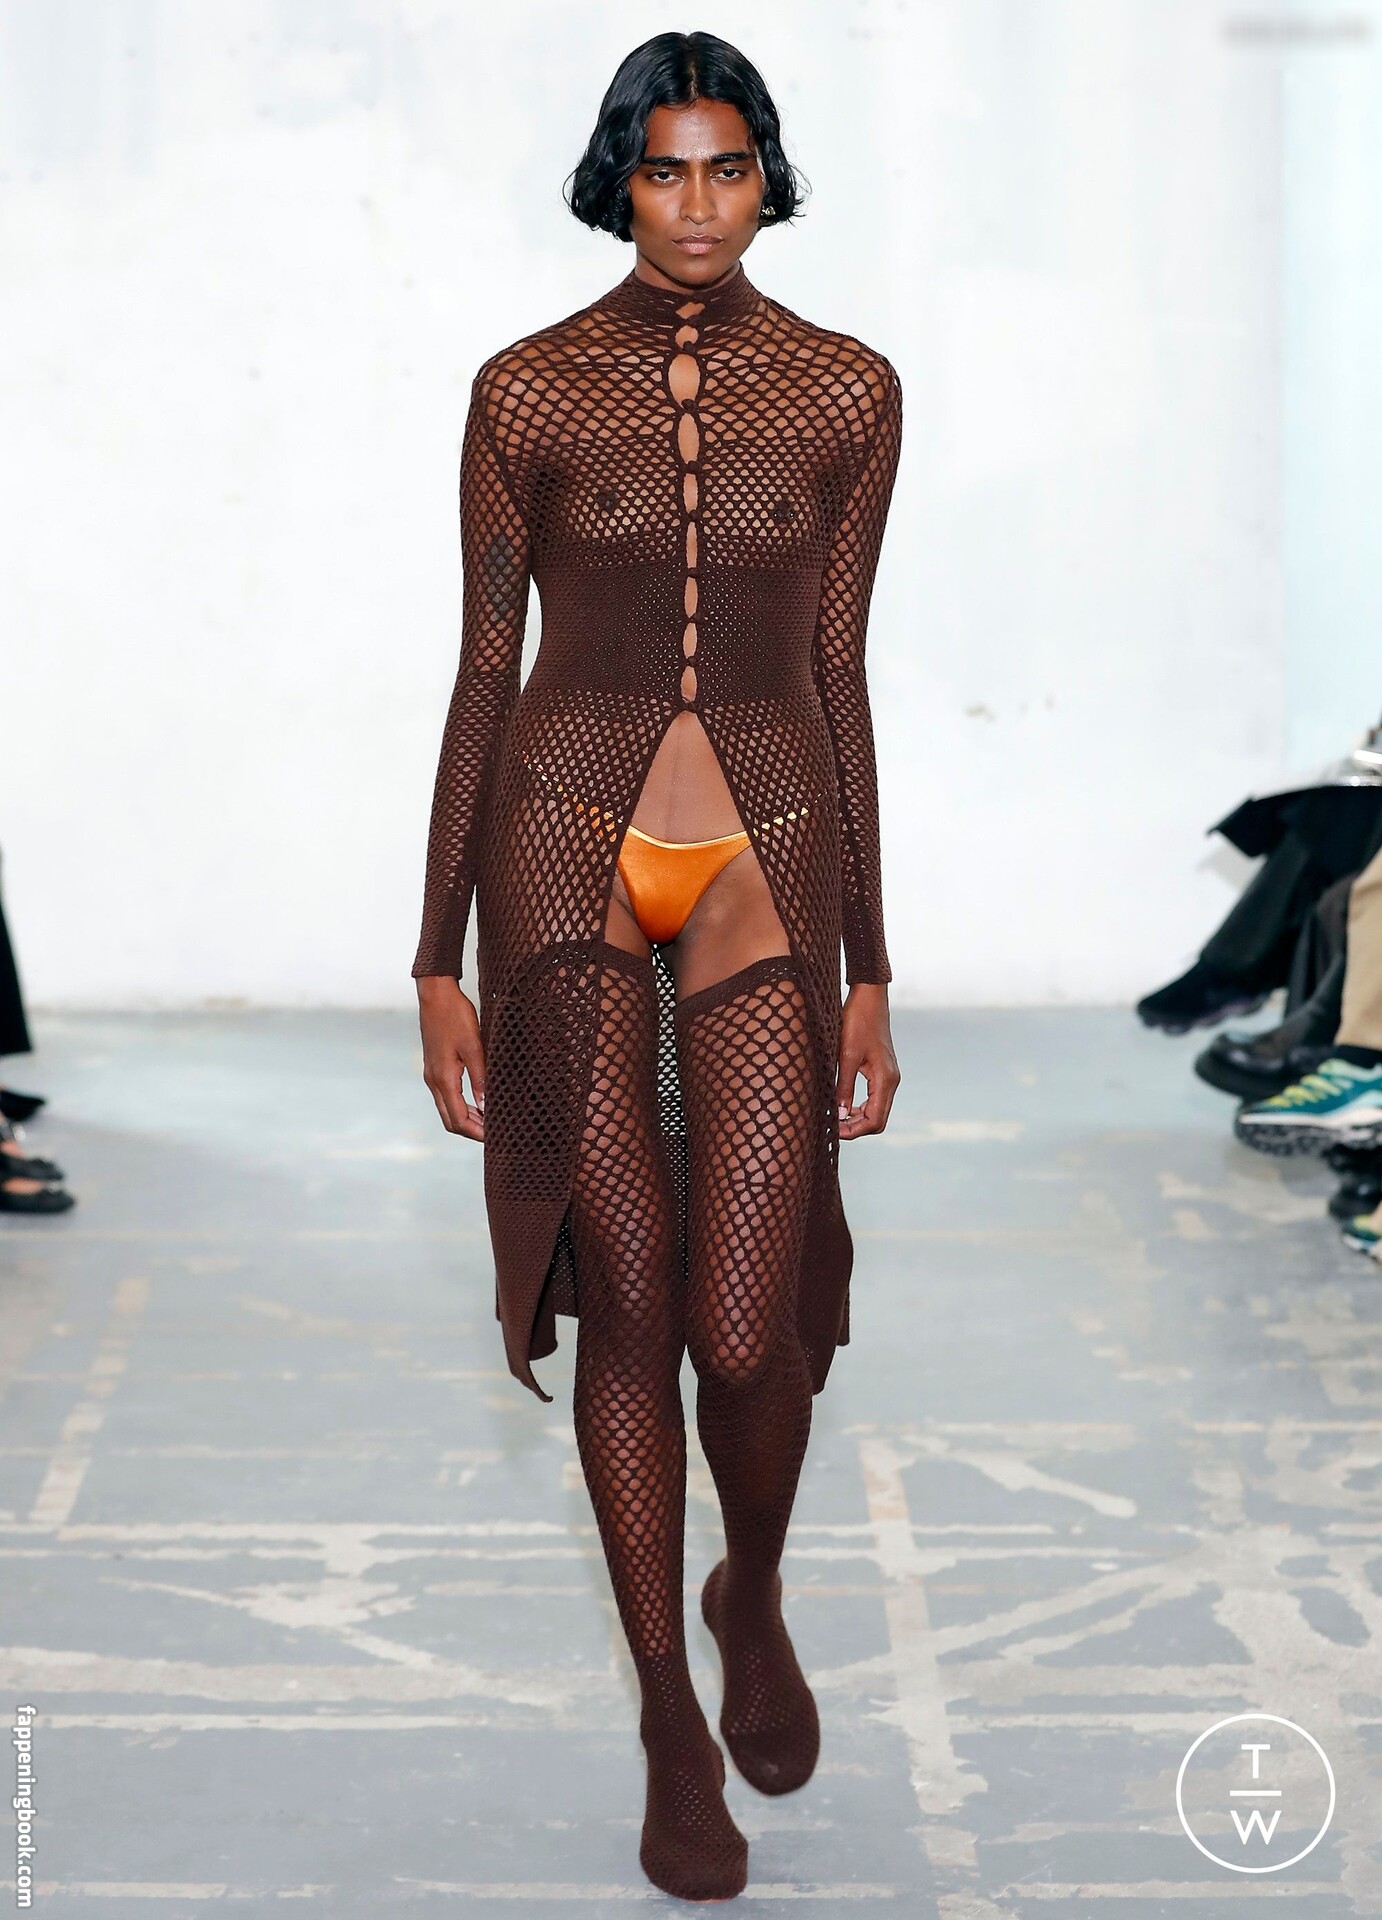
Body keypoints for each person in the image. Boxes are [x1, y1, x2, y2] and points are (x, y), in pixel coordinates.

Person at [412, 33, 902, 1902]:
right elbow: (483, 668)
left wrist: (871, 966)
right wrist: (433, 958)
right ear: (616, 179)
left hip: (768, 843)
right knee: (627, 1294)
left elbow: (839, 673)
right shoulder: (526, 389)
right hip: (559, 842)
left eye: (728, 168)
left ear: (768, 177)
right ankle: (664, 1722)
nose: (696, 205)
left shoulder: (845, 388)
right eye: (663, 170)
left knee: (745, 1325)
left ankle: (747, 1594)